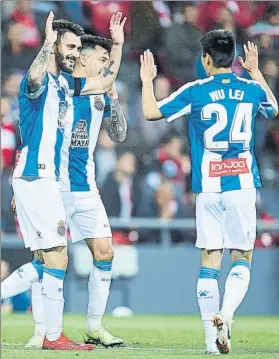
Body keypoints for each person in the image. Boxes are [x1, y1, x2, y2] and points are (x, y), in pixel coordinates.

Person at [140, 30, 278, 354]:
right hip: (242, 184)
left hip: (208, 187)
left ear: (205, 59)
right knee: (242, 256)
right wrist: (256, 71)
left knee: (209, 260)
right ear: (233, 59)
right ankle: (225, 316)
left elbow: (150, 112)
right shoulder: (251, 89)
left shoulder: (195, 91)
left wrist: (147, 80)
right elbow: (274, 109)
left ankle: (209, 343)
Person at [1, 11, 121, 350]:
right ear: (54, 46)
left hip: (44, 181)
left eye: (75, 47)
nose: (72, 52)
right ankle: (52, 336)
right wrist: (48, 43)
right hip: (34, 176)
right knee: (55, 258)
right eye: (68, 46)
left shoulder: (65, 86)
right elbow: (37, 78)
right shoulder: (36, 81)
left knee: (51, 259)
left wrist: (117, 47)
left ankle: (51, 335)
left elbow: (104, 82)